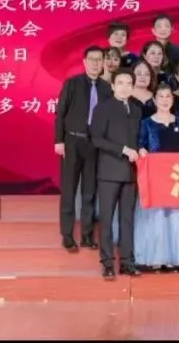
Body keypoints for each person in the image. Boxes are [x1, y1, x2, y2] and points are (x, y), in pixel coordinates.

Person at [53, 45, 110, 252]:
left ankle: (87, 235)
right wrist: (58, 140)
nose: (95, 63)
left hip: (94, 144)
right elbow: (60, 113)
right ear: (84, 62)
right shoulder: (72, 83)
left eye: (99, 59)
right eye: (92, 59)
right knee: (69, 189)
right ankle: (67, 235)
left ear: (103, 63)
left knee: (89, 191)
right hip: (72, 142)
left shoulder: (107, 88)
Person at [89, 69, 143, 279]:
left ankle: (127, 262)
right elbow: (96, 139)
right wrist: (123, 150)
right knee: (106, 219)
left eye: (129, 83)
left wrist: (141, 148)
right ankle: (108, 263)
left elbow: (138, 137)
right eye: (120, 83)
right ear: (112, 86)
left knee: (127, 220)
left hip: (131, 173)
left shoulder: (137, 109)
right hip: (109, 171)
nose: (125, 87)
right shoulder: (103, 108)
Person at [134, 85, 179, 271]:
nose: (165, 100)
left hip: (177, 177)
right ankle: (156, 258)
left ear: (173, 100)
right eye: (161, 96)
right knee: (157, 217)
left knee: (175, 218)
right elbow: (140, 144)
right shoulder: (146, 123)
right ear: (154, 100)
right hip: (155, 177)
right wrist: (141, 150)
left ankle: (174, 258)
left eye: (168, 96)